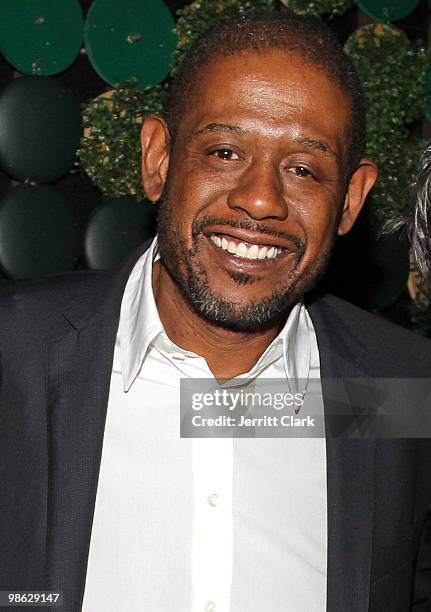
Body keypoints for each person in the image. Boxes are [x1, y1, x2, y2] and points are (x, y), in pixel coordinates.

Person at [1, 10, 431, 612]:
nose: (260, 199)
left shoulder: (400, 390)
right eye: (226, 151)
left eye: (303, 169)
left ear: (351, 199)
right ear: (158, 160)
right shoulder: (13, 354)